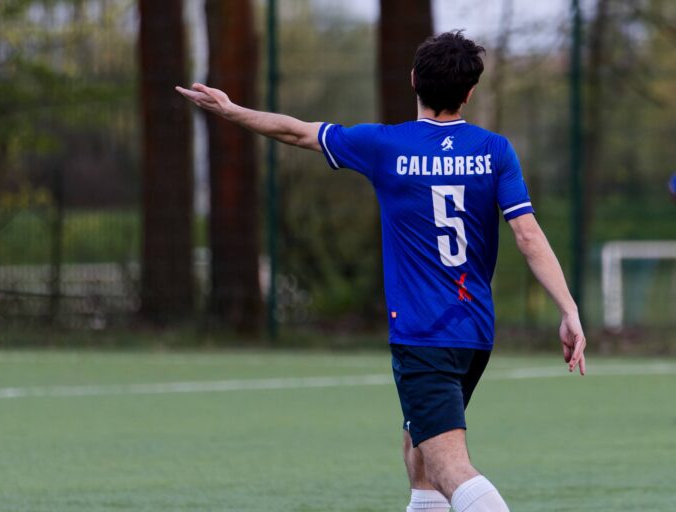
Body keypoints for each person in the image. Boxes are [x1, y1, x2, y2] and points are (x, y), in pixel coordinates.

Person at [177, 31, 586, 512]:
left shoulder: (384, 145)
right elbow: (528, 236)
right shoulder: (495, 150)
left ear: (413, 80)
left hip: (423, 332)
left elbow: (296, 131)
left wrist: (231, 111)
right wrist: (568, 308)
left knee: (450, 466)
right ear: (470, 92)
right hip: (473, 332)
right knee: (420, 454)